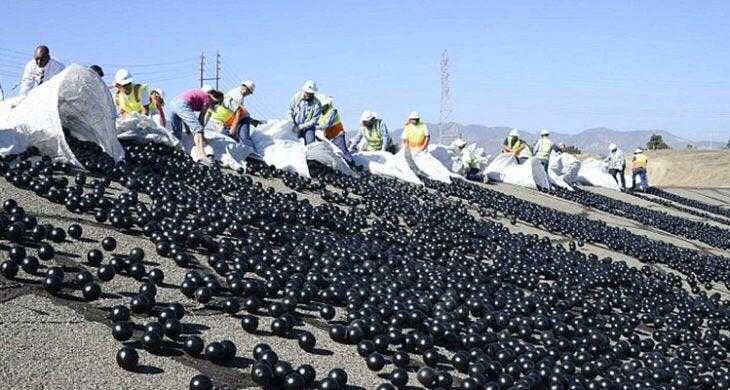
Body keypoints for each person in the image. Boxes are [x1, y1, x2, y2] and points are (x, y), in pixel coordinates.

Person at [169, 86, 224, 165]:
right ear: (214, 97)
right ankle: (202, 156)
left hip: (172, 104)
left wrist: (188, 130)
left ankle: (172, 153)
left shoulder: (199, 96)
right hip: (181, 104)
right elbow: (201, 119)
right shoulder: (207, 98)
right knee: (198, 128)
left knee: (177, 135)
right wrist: (202, 135)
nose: (216, 105)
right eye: (217, 103)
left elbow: (186, 114)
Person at [211, 80, 262, 148]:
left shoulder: (238, 95)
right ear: (246, 89)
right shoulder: (237, 95)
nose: (248, 94)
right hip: (232, 119)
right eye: (249, 92)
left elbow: (239, 112)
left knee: (244, 138)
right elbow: (237, 112)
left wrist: (234, 127)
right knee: (228, 138)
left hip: (240, 118)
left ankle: (253, 154)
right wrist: (233, 127)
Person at [315, 95, 352, 161]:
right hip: (329, 137)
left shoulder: (333, 111)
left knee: (343, 152)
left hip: (338, 135)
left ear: (326, 104)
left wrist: (315, 127)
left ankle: (352, 165)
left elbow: (327, 124)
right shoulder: (321, 114)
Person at [289, 80, 322, 145]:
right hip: (295, 125)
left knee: (310, 144)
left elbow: (314, 120)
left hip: (308, 128)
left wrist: (301, 127)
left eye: (311, 93)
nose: (309, 95)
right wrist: (292, 123)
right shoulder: (296, 97)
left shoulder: (317, 103)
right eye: (307, 93)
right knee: (292, 143)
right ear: (304, 91)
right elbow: (290, 110)